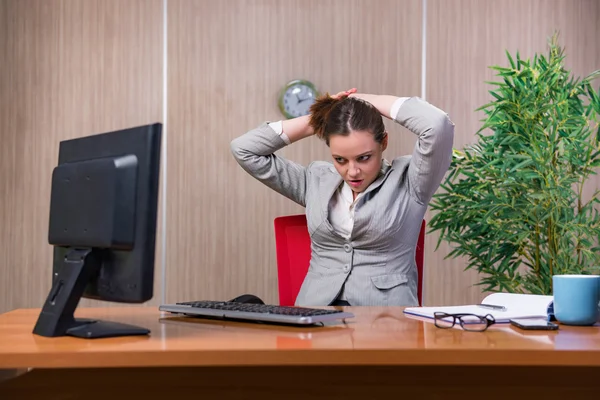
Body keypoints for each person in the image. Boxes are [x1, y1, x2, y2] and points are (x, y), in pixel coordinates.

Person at [230, 88, 454, 306]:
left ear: (384, 142)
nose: (352, 171)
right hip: (315, 316)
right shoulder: (316, 180)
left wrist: (363, 99)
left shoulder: (411, 181)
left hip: (385, 320)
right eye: (340, 160)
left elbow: (437, 125)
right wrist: (321, 117)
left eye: (364, 158)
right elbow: (244, 149)